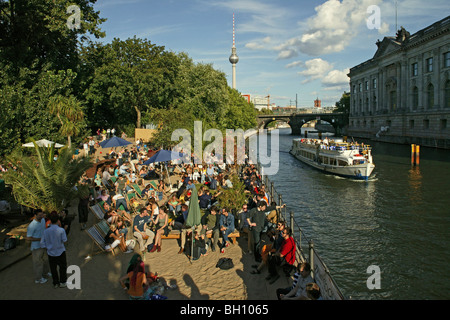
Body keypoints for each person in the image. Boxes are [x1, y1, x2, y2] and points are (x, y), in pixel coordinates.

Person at [40, 213, 68, 288]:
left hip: (51, 252)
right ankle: (62, 282)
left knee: (53, 268)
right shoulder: (61, 230)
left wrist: (48, 247)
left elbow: (42, 243)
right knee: (62, 267)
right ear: (58, 221)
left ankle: (55, 282)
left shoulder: (46, 231)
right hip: (60, 251)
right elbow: (64, 240)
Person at [26, 209, 50, 284]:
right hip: (36, 247)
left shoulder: (43, 220)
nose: (41, 216)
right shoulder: (31, 226)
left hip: (44, 245)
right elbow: (28, 238)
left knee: (46, 260)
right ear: (35, 215)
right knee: (38, 263)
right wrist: (39, 239)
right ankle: (38, 278)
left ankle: (45, 273)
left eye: (42, 214)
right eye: (39, 215)